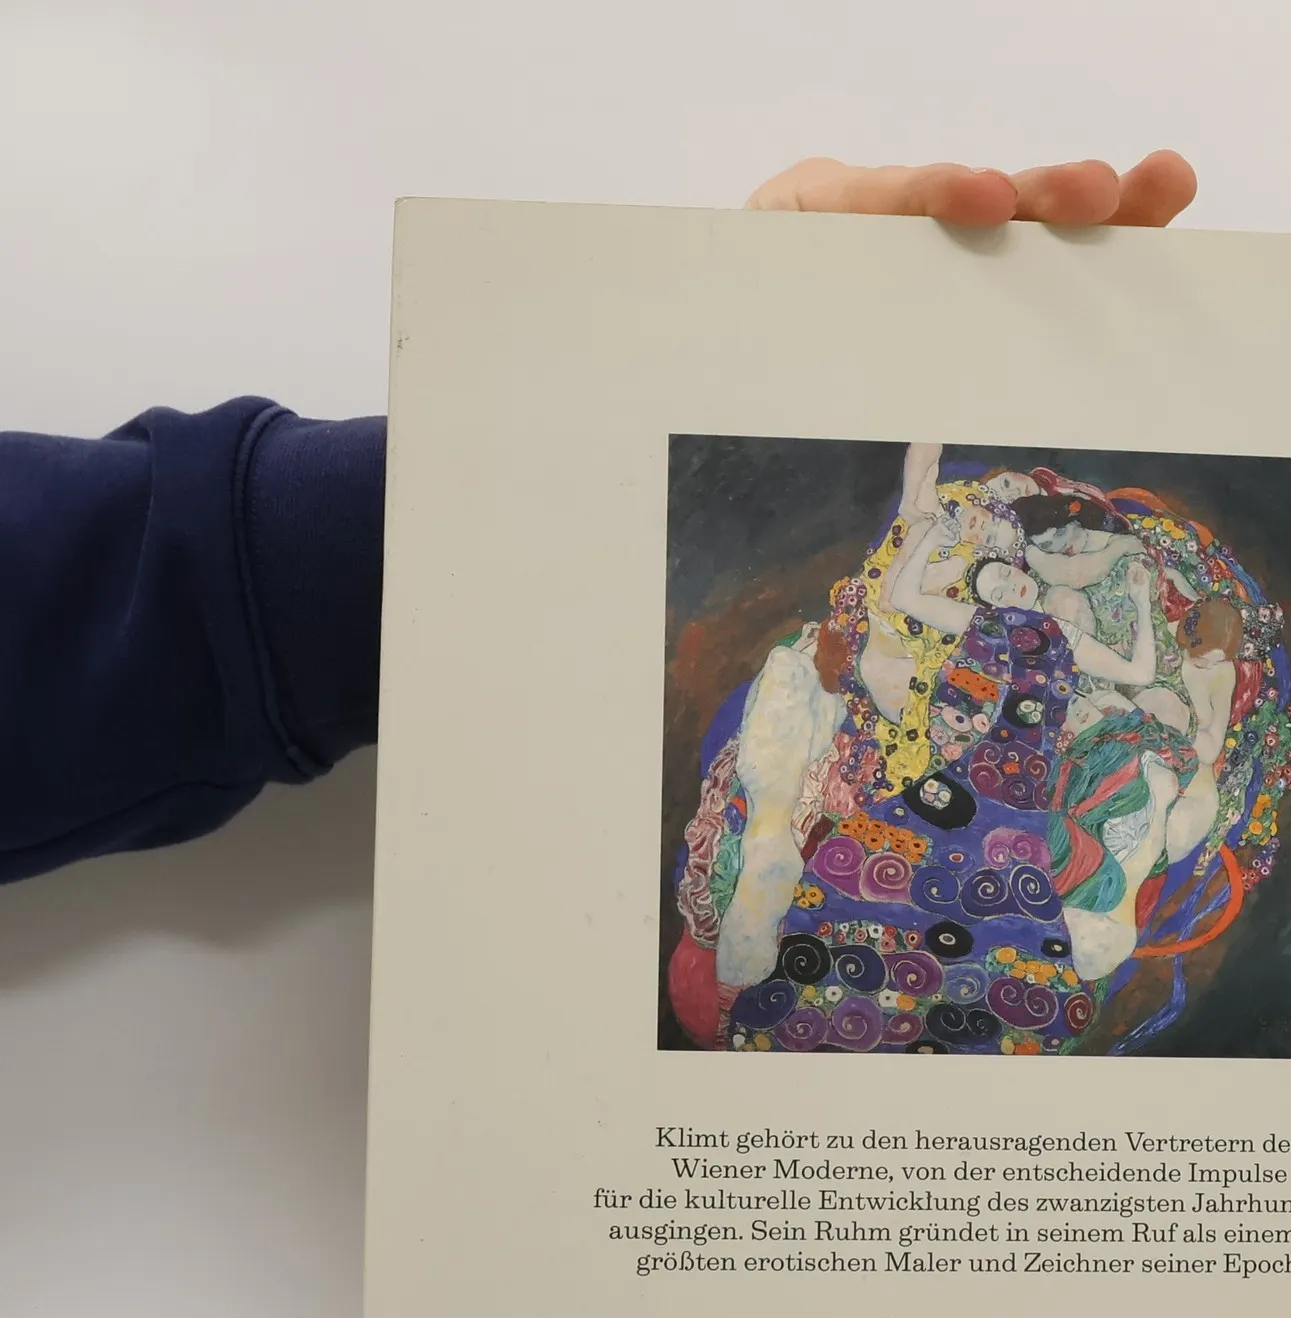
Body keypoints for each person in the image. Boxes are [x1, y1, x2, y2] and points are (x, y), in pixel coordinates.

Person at [0, 152, 1198, 889]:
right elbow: (922, 556)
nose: (1021, 579)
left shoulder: (997, 659)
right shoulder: (939, 637)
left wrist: (596, 447)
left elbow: (113, 611)